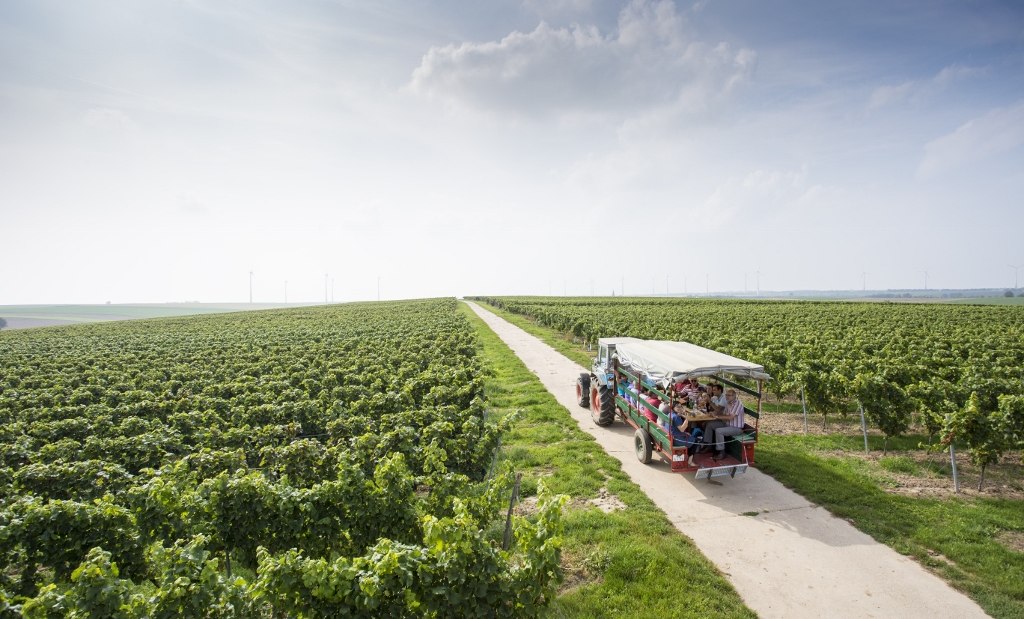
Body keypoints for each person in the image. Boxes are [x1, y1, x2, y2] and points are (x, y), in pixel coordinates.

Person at [709, 389, 746, 461]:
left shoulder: (738, 404)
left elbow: (730, 417)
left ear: (734, 396)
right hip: (727, 425)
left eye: (729, 395)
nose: (727, 397)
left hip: (736, 428)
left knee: (719, 431)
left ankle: (721, 452)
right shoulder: (728, 403)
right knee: (710, 425)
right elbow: (724, 415)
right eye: (726, 395)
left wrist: (717, 417)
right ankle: (707, 444)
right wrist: (714, 414)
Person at [664, 401, 700, 466]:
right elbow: (682, 429)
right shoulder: (676, 417)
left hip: (670, 437)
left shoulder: (670, 414)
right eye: (677, 406)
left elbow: (677, 429)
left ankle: (687, 455)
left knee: (689, 435)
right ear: (673, 407)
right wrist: (687, 419)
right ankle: (690, 461)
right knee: (696, 441)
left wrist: (685, 433)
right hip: (676, 440)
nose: (680, 408)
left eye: (680, 406)